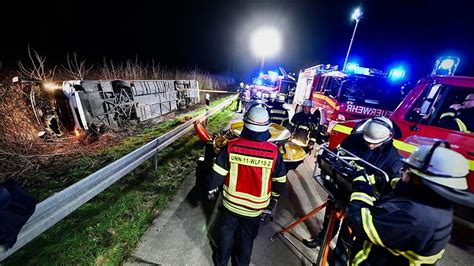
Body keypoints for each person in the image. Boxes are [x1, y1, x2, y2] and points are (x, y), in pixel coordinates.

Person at [343, 142, 473, 265]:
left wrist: (361, 187)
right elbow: (397, 186)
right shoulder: (433, 200)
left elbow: (359, 221)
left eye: (407, 170)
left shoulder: (416, 216)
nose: (403, 173)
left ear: (419, 180)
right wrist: (376, 179)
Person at [303, 117, 403, 248]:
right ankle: (323, 239)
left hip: (361, 201)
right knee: (330, 218)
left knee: (348, 234)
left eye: (374, 143)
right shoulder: (353, 139)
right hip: (340, 187)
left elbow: (387, 188)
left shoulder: (393, 159)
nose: (370, 145)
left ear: (389, 137)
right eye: (367, 141)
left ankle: (339, 258)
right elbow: (338, 154)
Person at [207, 105, 288, 266]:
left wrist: (209, 188)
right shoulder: (273, 152)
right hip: (255, 209)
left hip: (231, 205)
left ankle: (221, 262)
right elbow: (280, 185)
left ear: (245, 124)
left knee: (226, 235)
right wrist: (273, 200)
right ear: (266, 127)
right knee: (246, 239)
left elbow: (215, 178)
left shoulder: (231, 146)